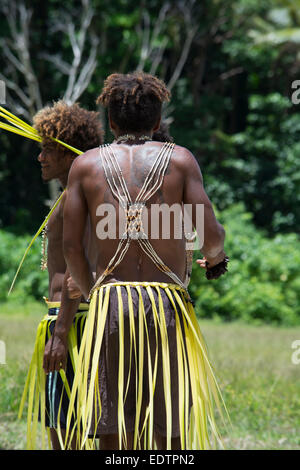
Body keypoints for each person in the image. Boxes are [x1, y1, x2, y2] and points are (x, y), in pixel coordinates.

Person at [62, 72, 229, 450]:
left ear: (111, 121)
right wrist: (216, 260)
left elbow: (72, 247)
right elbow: (211, 235)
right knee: (170, 427)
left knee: (112, 427)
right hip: (166, 305)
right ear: (157, 122)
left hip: (111, 305)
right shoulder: (181, 161)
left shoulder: (86, 166)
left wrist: (94, 293)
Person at [19, 101, 103, 450]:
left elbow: (74, 269)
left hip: (74, 323)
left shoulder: (77, 197)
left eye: (48, 149)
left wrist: (61, 332)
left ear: (70, 152)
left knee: (67, 432)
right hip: (72, 320)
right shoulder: (78, 194)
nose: (41, 158)